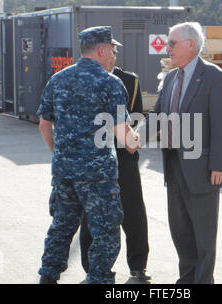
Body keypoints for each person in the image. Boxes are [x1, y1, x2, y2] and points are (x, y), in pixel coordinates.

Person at [37, 26, 139, 284]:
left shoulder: (58, 79)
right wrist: (133, 140)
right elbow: (121, 132)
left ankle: (48, 276)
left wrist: (59, 153)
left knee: (62, 226)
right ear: (101, 50)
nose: (114, 56)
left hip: (64, 172)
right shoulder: (110, 83)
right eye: (112, 51)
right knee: (105, 230)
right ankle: (99, 279)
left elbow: (44, 124)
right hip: (98, 176)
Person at [139, 22, 222, 284]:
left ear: (190, 45)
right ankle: (187, 280)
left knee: (203, 234)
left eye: (171, 43)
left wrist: (219, 165)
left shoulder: (213, 76)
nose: (167, 48)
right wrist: (136, 136)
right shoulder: (170, 77)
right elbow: (157, 116)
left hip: (202, 169)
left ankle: (203, 281)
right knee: (180, 232)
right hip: (173, 168)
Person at [79, 63, 151, 282]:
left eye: (114, 52)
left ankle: (138, 265)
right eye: (109, 50)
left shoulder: (129, 80)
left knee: (133, 212)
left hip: (123, 158)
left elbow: (136, 117)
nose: (112, 56)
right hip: (94, 160)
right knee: (91, 214)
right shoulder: (80, 79)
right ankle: (92, 266)